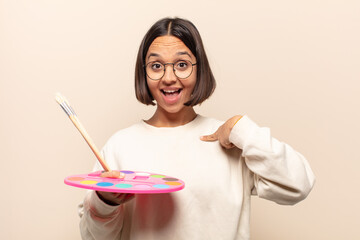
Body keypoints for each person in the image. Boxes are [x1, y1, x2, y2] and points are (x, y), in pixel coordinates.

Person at [78, 17, 315, 240]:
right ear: (144, 72)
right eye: (156, 65)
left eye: (182, 64)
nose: (169, 77)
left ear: (199, 69)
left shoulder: (232, 142)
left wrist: (239, 127)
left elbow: (298, 185)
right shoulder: (121, 145)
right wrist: (104, 201)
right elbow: (93, 236)